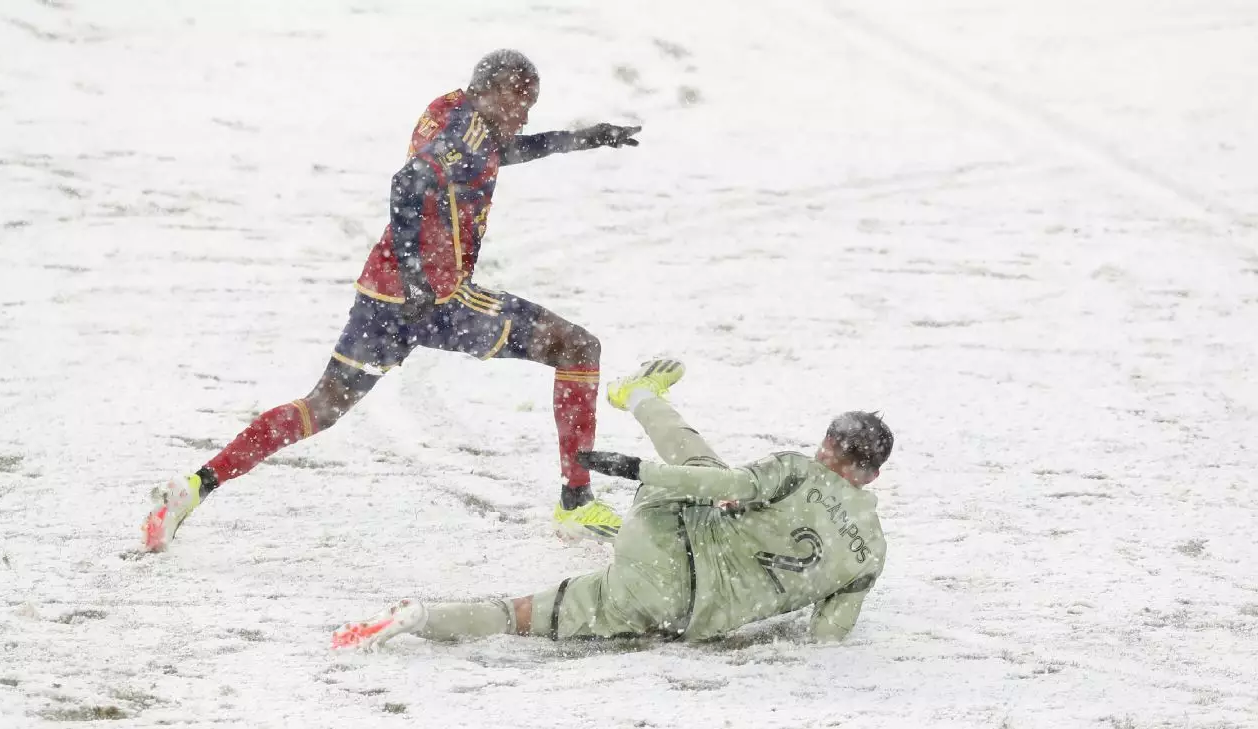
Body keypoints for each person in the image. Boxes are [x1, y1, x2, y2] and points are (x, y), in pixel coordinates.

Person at [140, 50, 642, 552]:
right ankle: (576, 503)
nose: (526, 115)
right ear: (490, 91)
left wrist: (580, 140)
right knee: (579, 347)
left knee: (321, 406)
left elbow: (496, 154)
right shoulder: (463, 136)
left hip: (380, 296)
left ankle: (196, 486)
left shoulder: (455, 111)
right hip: (436, 300)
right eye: (522, 102)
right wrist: (419, 277)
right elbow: (407, 185)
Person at [330, 358, 894, 649]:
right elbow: (827, 636)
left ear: (829, 445)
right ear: (870, 474)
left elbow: (730, 489)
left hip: (663, 537)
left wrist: (637, 470)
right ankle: (421, 618)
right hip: (676, 613)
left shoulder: (799, 470)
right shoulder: (871, 557)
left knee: (703, 471)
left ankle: (638, 396)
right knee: (518, 616)